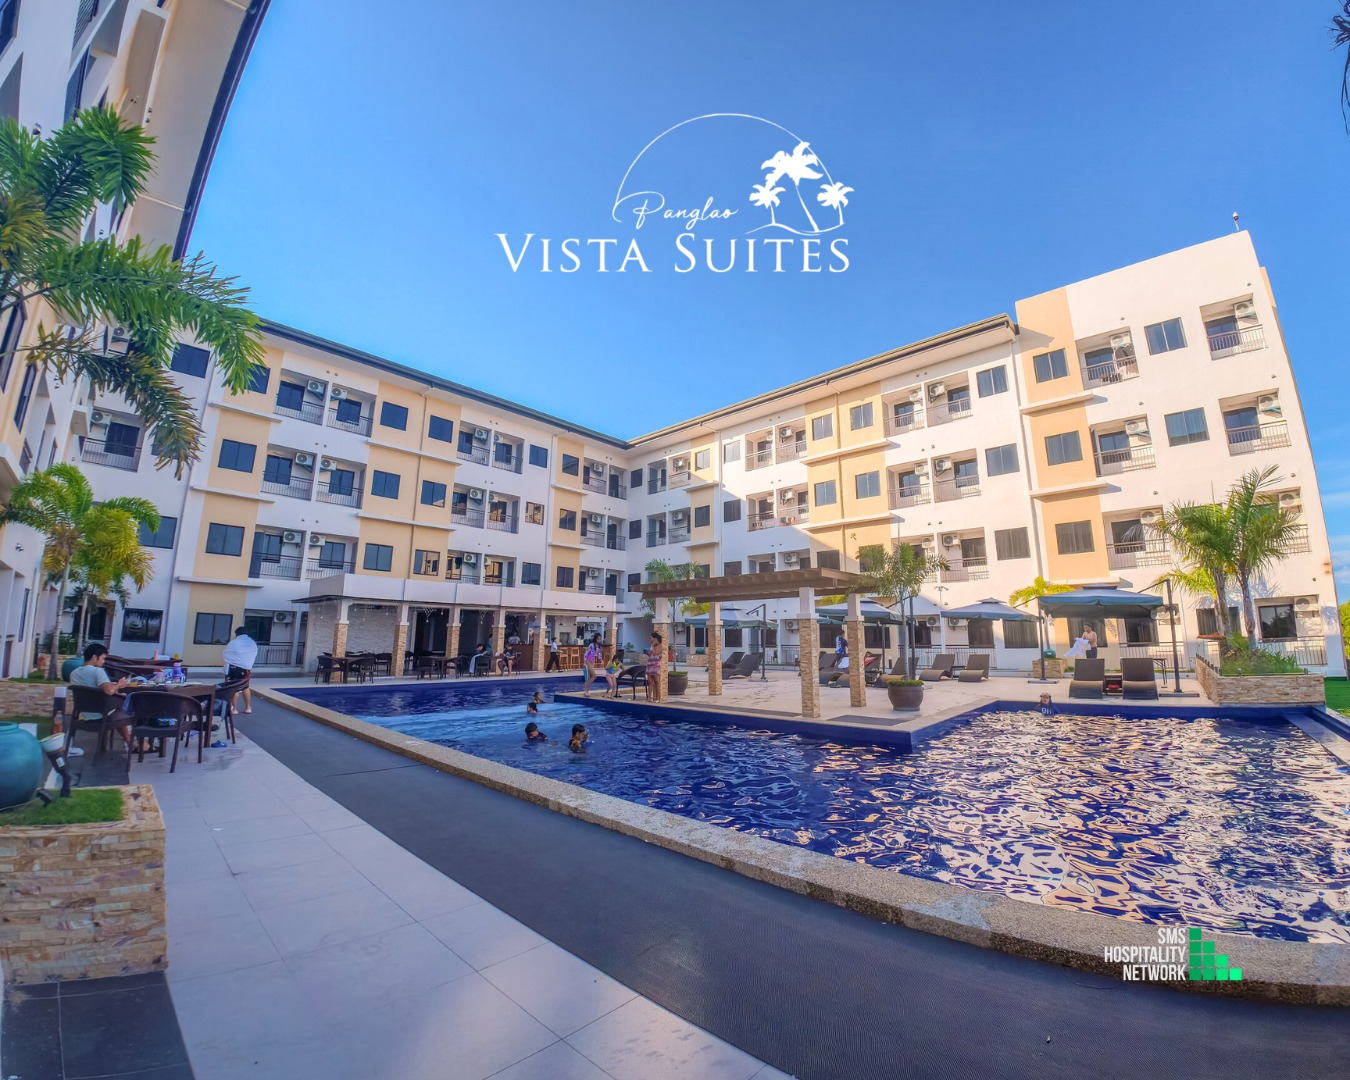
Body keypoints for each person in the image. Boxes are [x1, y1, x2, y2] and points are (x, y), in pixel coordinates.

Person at [69, 643, 134, 750]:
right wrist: (119, 685)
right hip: (102, 715)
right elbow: (109, 691)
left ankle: (129, 742)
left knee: (118, 710)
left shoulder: (74, 673)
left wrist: (112, 685)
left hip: (86, 714)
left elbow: (90, 688)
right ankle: (133, 742)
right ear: (94, 657)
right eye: (103, 658)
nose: (104, 662)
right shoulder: (98, 671)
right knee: (127, 710)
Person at [222, 626, 257, 714]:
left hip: (234, 668)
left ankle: (234, 709)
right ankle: (248, 707)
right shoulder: (252, 643)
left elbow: (226, 654)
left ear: (237, 634)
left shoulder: (234, 643)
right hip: (246, 669)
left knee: (234, 688)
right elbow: (253, 654)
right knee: (246, 687)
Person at [645, 631, 663, 701]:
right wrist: (647, 653)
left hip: (656, 665)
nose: (650, 639)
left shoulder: (660, 646)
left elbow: (655, 653)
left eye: (651, 638)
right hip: (650, 664)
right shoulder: (652, 646)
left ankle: (657, 697)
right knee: (650, 682)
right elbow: (651, 654)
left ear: (655, 638)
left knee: (656, 681)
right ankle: (649, 697)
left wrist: (653, 646)